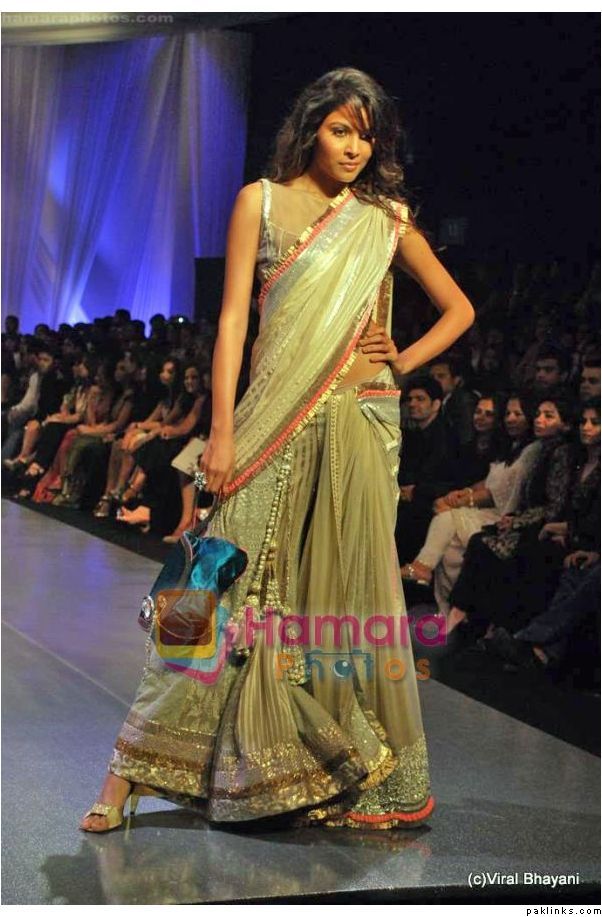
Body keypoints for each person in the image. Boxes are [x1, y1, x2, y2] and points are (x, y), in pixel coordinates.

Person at [80, 68, 474, 833]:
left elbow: (458, 309)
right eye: (341, 130)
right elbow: (233, 323)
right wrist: (222, 430)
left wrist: (400, 361)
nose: (354, 148)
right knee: (206, 585)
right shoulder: (257, 201)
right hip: (267, 419)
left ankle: (334, 774)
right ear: (311, 126)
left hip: (357, 424)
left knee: (335, 597)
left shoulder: (382, 219)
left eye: (367, 136)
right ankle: (126, 769)